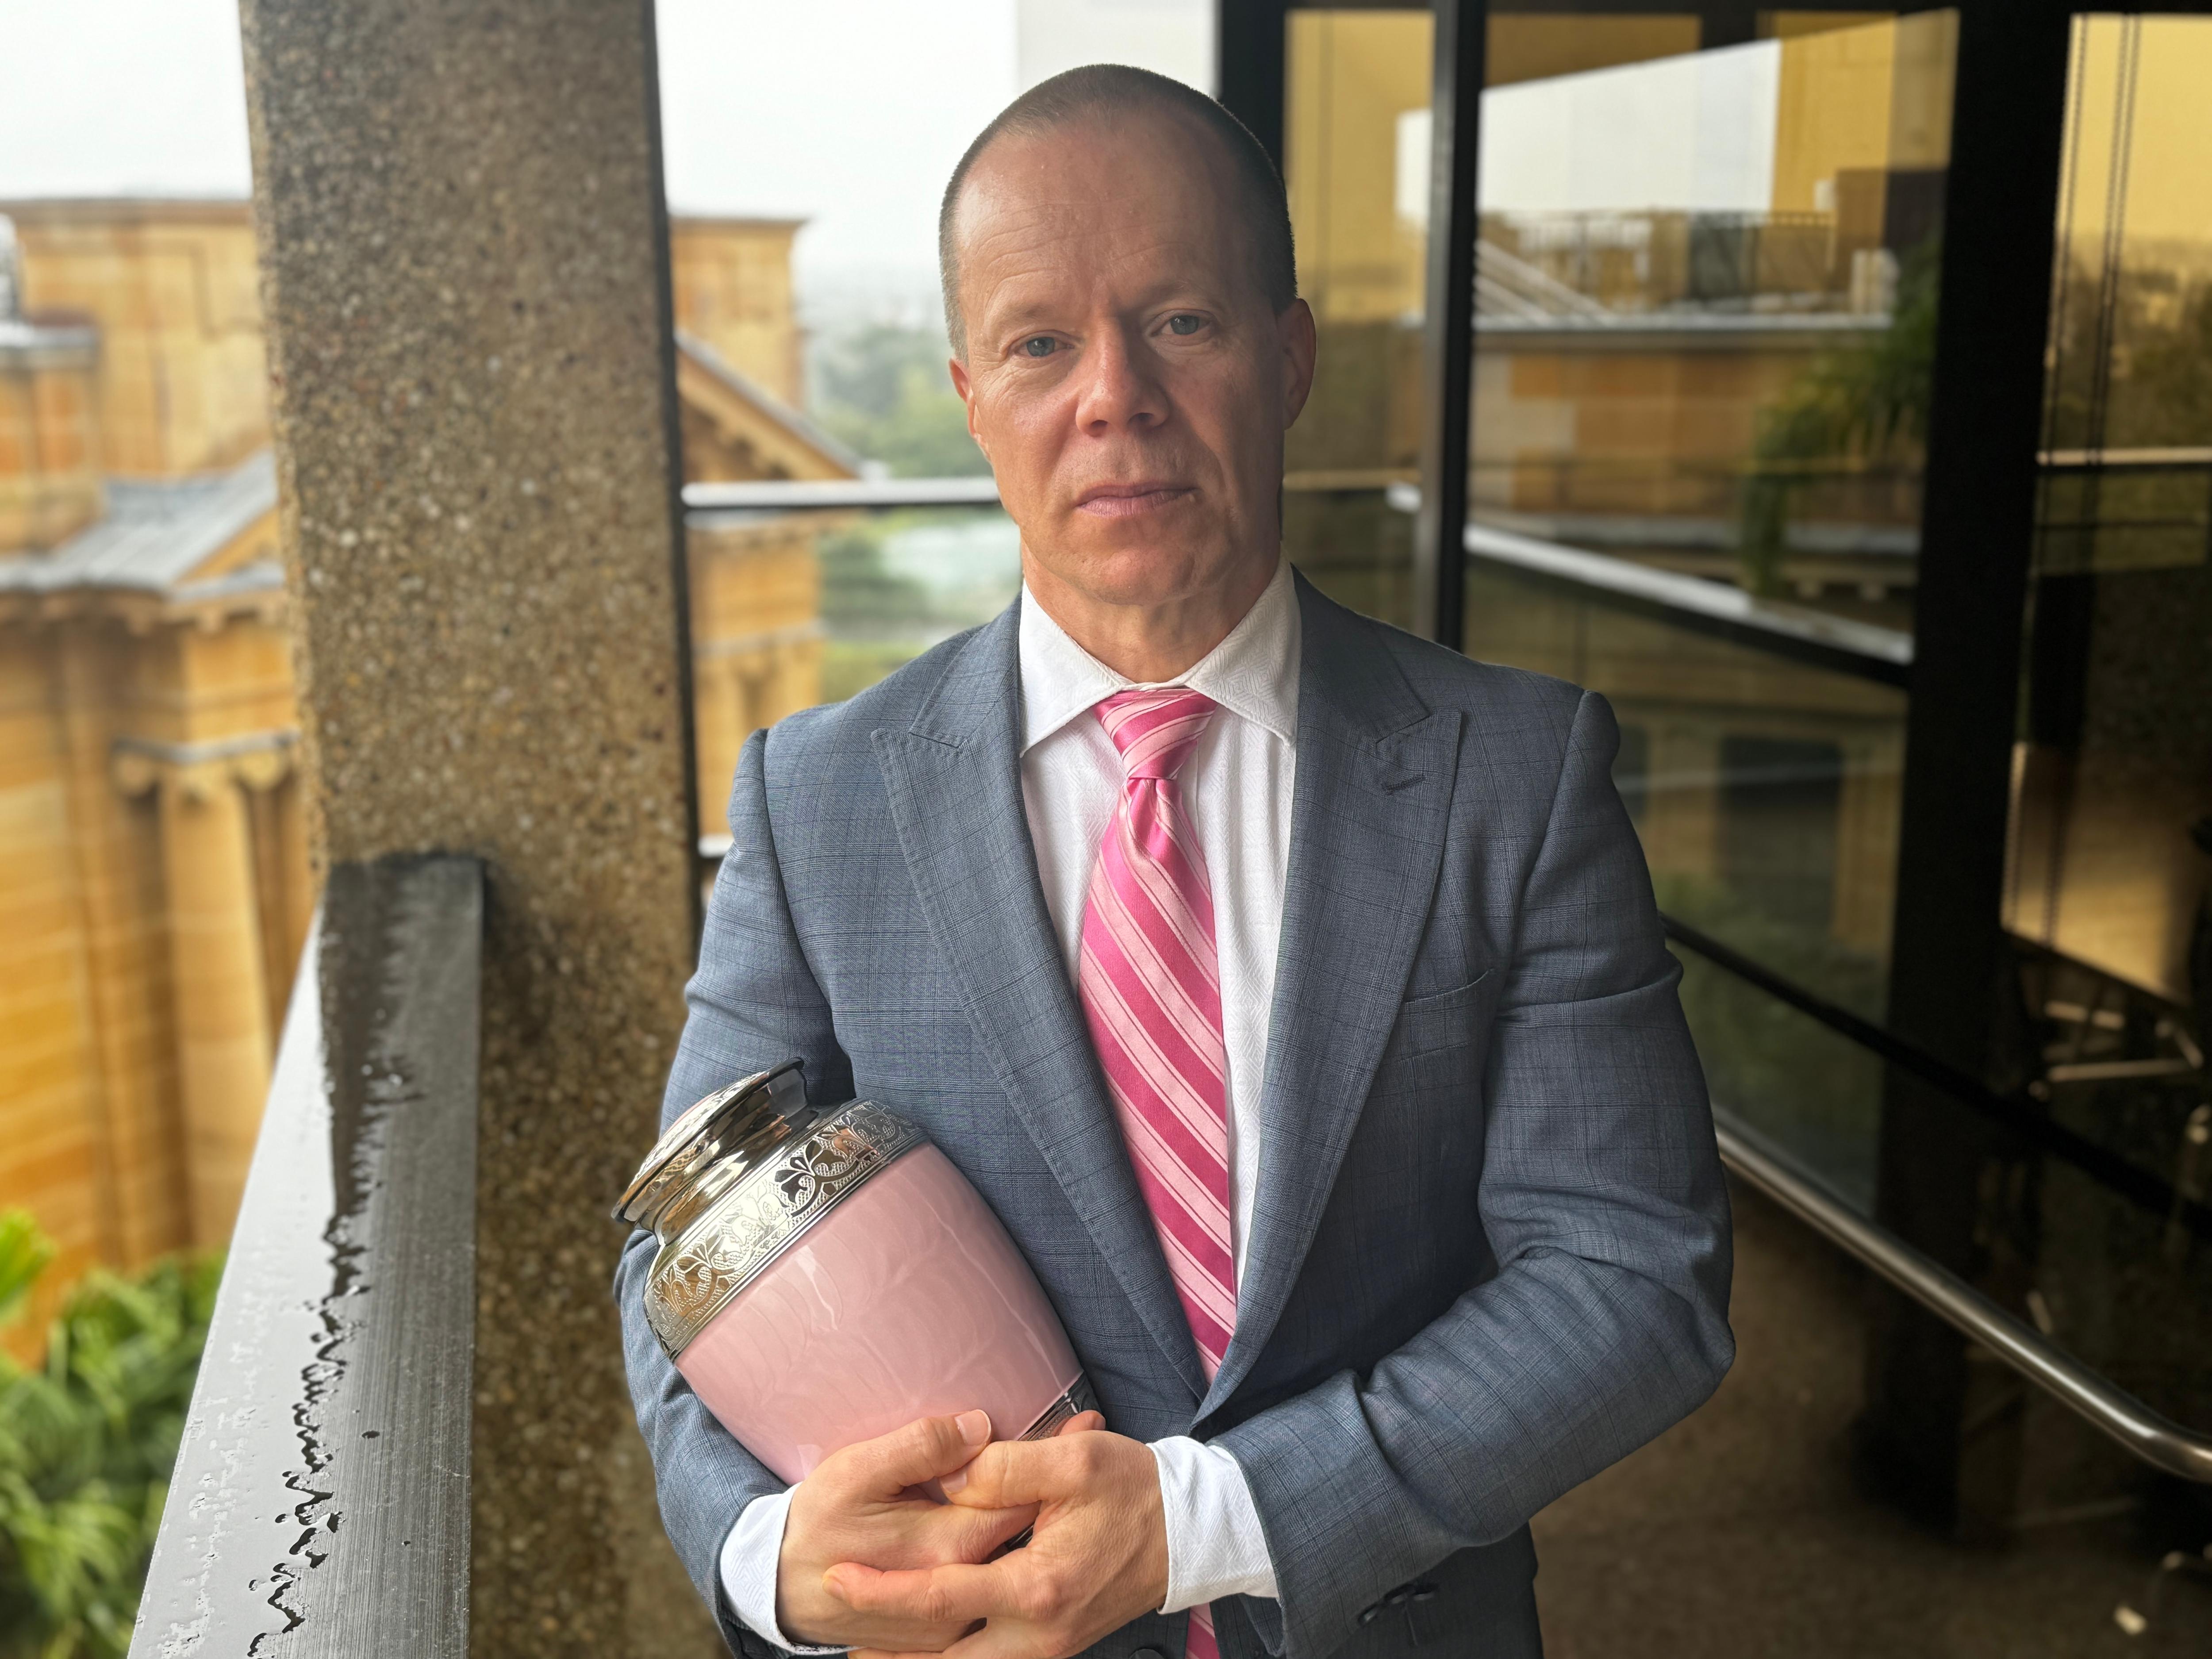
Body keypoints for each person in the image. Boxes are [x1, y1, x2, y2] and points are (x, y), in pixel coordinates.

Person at [617, 63, 1733, 1659]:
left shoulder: (1518, 772)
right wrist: (771, 1557)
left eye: (1183, 322)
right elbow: (684, 1259)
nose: (1113, 396)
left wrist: (1212, 1520)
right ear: (969, 395)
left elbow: (1634, 1278)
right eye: (1040, 342)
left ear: (1288, 360)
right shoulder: (820, 800)